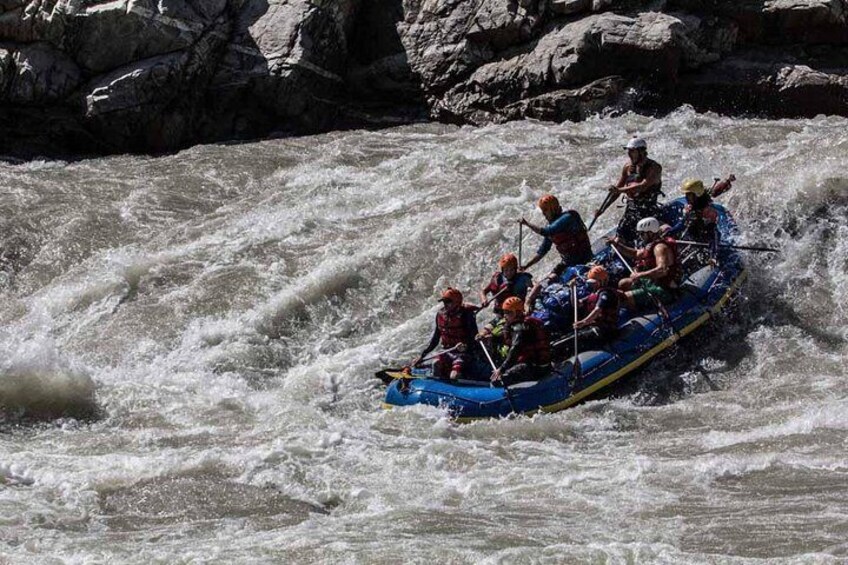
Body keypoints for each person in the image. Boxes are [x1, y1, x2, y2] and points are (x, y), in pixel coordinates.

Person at [519, 194, 592, 311]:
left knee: (572, 284)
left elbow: (547, 231)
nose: (544, 214)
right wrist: (526, 266)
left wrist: (527, 224)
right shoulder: (552, 227)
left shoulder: (568, 218)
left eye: (545, 211)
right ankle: (528, 303)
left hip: (584, 259)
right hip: (567, 262)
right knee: (547, 280)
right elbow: (542, 251)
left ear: (553, 209)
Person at [610, 217, 682, 312]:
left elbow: (662, 270)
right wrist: (617, 245)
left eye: (642, 233)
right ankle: (638, 302)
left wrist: (639, 275)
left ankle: (641, 312)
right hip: (654, 282)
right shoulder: (651, 245)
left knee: (625, 297)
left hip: (665, 289)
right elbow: (635, 254)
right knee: (623, 283)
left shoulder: (660, 248)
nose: (640, 236)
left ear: (650, 233)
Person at [413, 287, 479, 380]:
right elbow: (436, 338)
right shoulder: (440, 314)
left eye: (448, 302)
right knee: (435, 363)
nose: (445, 305)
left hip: (462, 353)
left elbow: (474, 337)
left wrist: (466, 345)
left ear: (457, 302)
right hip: (447, 351)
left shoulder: (466, 315)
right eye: (444, 302)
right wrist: (423, 355)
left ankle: (459, 381)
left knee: (454, 376)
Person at [477, 253, 534, 360]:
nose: (509, 273)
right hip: (500, 315)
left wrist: (528, 302)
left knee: (493, 336)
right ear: (502, 269)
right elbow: (483, 291)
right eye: (506, 270)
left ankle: (501, 358)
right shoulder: (497, 278)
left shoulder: (522, 279)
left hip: (514, 316)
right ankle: (488, 357)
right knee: (482, 334)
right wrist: (484, 299)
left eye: (512, 270)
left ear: (515, 269)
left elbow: (535, 287)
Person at [610, 137, 663, 244]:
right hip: (631, 210)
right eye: (628, 151)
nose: (629, 154)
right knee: (619, 239)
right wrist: (602, 210)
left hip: (648, 211)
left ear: (642, 152)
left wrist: (620, 190)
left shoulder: (654, 168)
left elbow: (643, 186)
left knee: (644, 241)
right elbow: (616, 190)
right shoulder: (627, 167)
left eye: (632, 151)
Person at [490, 297, 552, 387]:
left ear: (517, 313)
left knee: (497, 381)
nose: (505, 315)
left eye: (508, 312)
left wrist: (501, 369)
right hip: (533, 363)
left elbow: (515, 348)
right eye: (504, 312)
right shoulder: (522, 324)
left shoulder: (520, 328)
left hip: (536, 368)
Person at [563, 265, 621, 354]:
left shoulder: (606, 294)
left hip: (605, 330)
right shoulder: (595, 293)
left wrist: (583, 322)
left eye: (594, 282)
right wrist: (572, 289)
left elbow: (597, 310)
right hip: (593, 325)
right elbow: (576, 304)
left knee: (570, 342)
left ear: (602, 281)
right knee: (564, 339)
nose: (591, 284)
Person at [667, 178, 720, 255]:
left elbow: (712, 233)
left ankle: (713, 256)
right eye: (686, 195)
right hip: (691, 234)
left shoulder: (708, 211)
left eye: (689, 195)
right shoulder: (689, 208)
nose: (686, 197)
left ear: (697, 195)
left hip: (705, 237)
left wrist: (713, 255)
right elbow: (682, 224)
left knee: (713, 232)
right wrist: (669, 233)